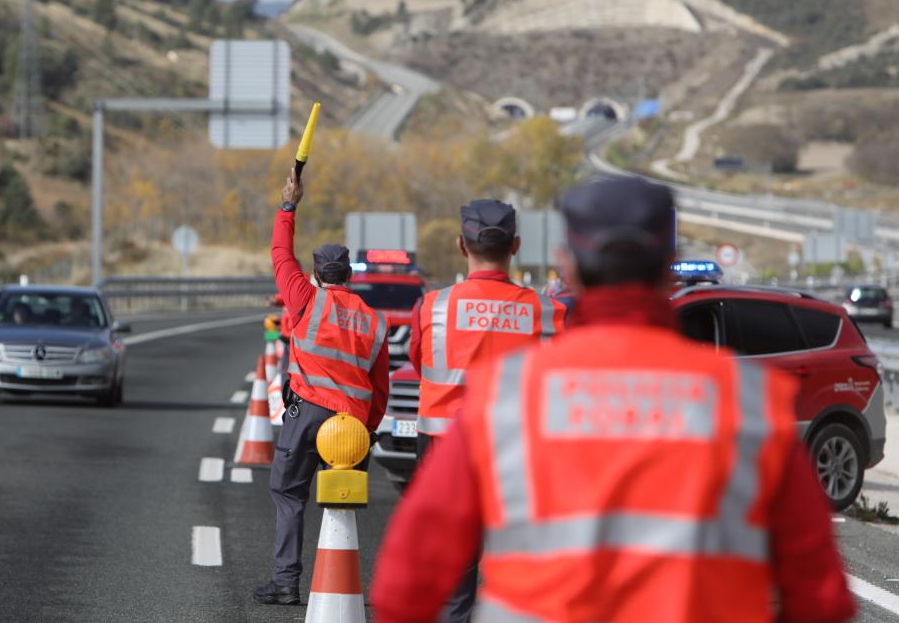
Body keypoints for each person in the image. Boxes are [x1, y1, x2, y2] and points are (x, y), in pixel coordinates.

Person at [371, 177, 854, 623]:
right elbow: (822, 598)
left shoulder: (506, 399)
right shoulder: (749, 401)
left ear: (568, 264)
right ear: (670, 261)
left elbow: (402, 587)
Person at [404, 199, 567, 622]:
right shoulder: (548, 312)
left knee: (453, 577)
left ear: (462, 245)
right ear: (515, 246)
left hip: (444, 452)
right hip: (516, 457)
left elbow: (420, 364)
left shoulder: (433, 307)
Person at [254, 166, 391, 607]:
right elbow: (381, 387)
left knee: (289, 493)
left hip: (308, 413)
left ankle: (286, 582)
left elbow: (280, 253)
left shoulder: (305, 299)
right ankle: (342, 585)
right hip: (352, 422)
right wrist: (368, 430)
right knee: (342, 505)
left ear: (316, 275)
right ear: (349, 275)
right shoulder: (374, 320)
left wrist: (288, 205)